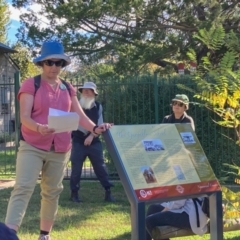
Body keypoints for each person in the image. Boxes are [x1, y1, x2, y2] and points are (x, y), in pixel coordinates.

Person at [4, 41, 111, 240]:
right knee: (23, 187)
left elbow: (79, 115)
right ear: (42, 63)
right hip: (32, 144)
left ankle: (45, 235)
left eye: (59, 63)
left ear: (63, 65)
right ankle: (9, 234)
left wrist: (95, 129)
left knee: (52, 191)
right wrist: (39, 127)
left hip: (61, 148)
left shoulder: (68, 88)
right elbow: (25, 117)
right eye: (49, 62)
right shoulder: (31, 84)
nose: (54, 67)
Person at [145, 94, 208, 240]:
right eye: (174, 103)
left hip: (190, 214)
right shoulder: (167, 119)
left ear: (185, 107)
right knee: (153, 208)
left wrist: (167, 209)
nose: (176, 106)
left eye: (180, 104)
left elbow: (181, 197)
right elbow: (160, 135)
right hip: (182, 206)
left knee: (150, 220)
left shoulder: (186, 164)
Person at [69, 82, 115, 203]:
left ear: (94, 93)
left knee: (101, 167)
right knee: (76, 168)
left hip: (94, 140)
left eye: (89, 90)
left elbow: (100, 125)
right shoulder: (75, 105)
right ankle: (74, 193)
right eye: (84, 90)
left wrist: (91, 136)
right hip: (78, 141)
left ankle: (108, 192)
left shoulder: (98, 106)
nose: (86, 92)